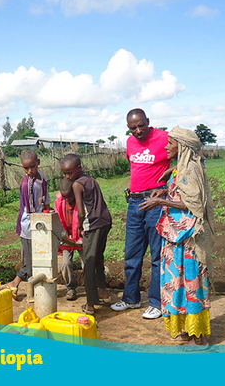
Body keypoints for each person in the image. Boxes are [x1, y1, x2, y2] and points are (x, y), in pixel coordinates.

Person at [139, 126, 215, 345]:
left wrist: (160, 201)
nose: (166, 146)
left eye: (170, 143)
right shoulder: (181, 168)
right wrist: (165, 191)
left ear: (181, 146)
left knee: (191, 284)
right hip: (175, 236)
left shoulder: (190, 170)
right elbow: (182, 192)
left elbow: (194, 204)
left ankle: (197, 335)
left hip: (188, 238)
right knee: (176, 283)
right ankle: (185, 327)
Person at [111, 108, 171, 320]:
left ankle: (156, 302)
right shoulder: (130, 143)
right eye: (132, 128)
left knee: (157, 255)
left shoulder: (165, 137)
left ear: (148, 122)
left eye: (140, 126)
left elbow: (189, 158)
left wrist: (166, 185)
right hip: (134, 202)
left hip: (155, 203)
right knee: (132, 254)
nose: (137, 131)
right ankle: (131, 298)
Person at [60, 153, 112, 315]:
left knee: (89, 263)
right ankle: (102, 292)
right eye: (65, 173)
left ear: (79, 168)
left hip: (93, 225)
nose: (68, 176)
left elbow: (81, 212)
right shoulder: (91, 179)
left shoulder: (77, 185)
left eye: (70, 172)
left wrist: (78, 228)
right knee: (98, 258)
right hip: (106, 221)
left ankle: (90, 304)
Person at [0, 150, 51, 300]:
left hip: (41, 222)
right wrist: (44, 220)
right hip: (30, 226)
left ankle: (15, 284)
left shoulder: (43, 177)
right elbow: (32, 211)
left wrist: (48, 213)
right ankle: (30, 293)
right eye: (26, 168)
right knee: (32, 261)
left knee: (35, 258)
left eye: (32, 167)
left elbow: (46, 198)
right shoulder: (27, 184)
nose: (30, 171)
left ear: (38, 163)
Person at [54, 178, 84, 301]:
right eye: (65, 197)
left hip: (81, 237)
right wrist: (64, 237)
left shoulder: (81, 200)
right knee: (65, 264)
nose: (68, 200)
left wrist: (81, 236)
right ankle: (71, 287)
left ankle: (92, 286)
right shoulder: (59, 202)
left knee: (87, 263)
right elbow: (58, 221)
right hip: (67, 239)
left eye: (70, 196)